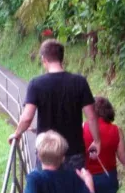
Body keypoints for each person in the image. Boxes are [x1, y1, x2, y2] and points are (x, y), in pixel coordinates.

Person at [9, 39, 101, 173]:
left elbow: (27, 117)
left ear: (44, 59)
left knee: (46, 191)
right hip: (74, 151)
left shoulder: (36, 84)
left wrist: (17, 134)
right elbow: (91, 116)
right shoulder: (80, 82)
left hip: (46, 153)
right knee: (73, 191)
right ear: (62, 58)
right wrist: (97, 141)